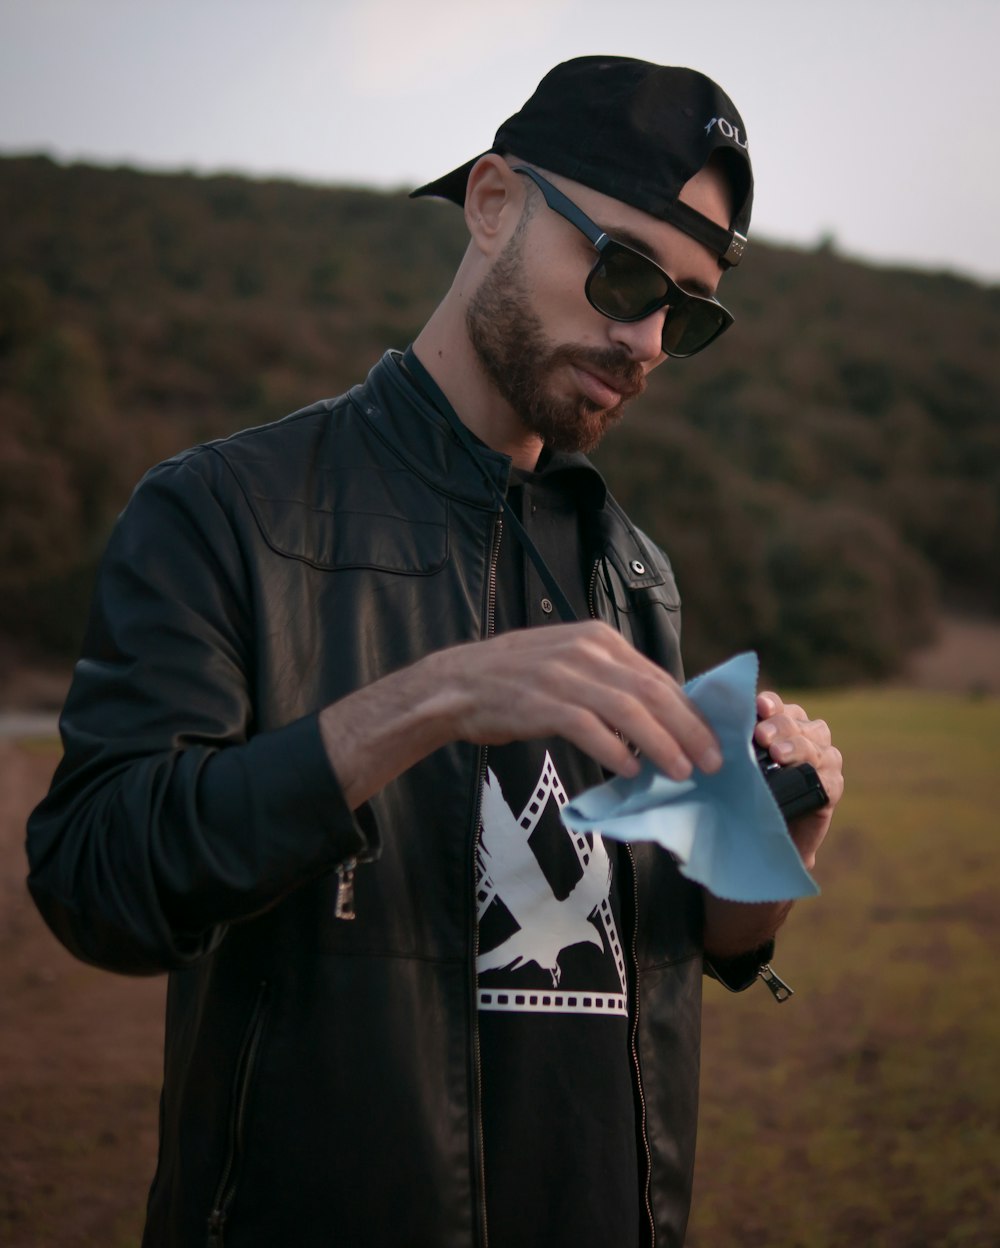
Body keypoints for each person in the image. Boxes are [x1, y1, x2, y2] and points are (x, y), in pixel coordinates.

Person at [26, 56, 843, 1248]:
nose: (647, 337)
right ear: (494, 203)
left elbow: (650, 951)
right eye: (619, 268)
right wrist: (427, 698)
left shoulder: (632, 571)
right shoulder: (226, 513)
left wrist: (757, 874)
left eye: (689, 309)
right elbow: (98, 882)